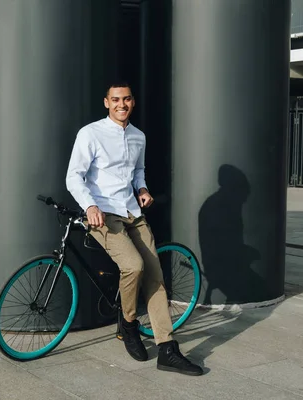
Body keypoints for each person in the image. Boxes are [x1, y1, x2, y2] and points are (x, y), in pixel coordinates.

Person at [65, 82, 203, 376]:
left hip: (132, 211)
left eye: (126, 99)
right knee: (134, 266)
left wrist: (142, 188)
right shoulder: (90, 133)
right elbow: (74, 176)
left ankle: (167, 348)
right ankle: (128, 324)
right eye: (115, 99)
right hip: (103, 214)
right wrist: (90, 206)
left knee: (156, 277)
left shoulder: (138, 136)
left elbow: (137, 171)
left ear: (133, 102)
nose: (121, 104)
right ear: (106, 102)